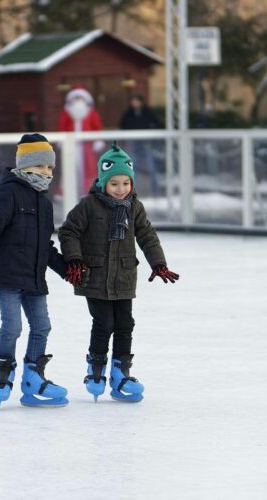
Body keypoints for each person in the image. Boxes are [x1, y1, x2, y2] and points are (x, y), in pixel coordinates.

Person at [59, 143, 179, 403]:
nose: (121, 189)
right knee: (104, 323)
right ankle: (96, 368)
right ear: (103, 182)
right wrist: (75, 260)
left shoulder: (134, 206)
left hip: (124, 276)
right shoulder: (89, 205)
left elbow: (147, 235)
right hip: (95, 276)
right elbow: (68, 232)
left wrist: (158, 263)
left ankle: (120, 372)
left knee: (125, 324)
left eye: (126, 182)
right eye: (114, 183)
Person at [0, 133, 69, 409]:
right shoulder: (9, 192)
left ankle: (33, 377)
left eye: (50, 168)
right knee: (12, 325)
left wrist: (66, 270)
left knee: (42, 326)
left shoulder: (45, 204)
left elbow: (46, 246)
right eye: (40, 167)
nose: (46, 173)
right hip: (8, 275)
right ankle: (3, 372)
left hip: (34, 277)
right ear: (24, 167)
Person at [57, 86, 104, 194]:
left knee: (89, 168)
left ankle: (89, 190)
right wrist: (62, 140)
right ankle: (67, 192)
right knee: (69, 167)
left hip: (87, 145)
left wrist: (98, 140)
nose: (78, 101)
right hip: (70, 144)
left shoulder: (91, 113)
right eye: (76, 98)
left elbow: (97, 127)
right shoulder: (66, 113)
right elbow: (62, 127)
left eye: (80, 98)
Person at [119, 94, 162, 196]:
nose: (135, 103)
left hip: (146, 144)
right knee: (133, 168)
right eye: (133, 101)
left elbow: (156, 124)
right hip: (133, 144)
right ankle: (133, 191)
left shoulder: (148, 112)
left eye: (136, 101)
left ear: (141, 102)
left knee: (151, 168)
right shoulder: (128, 113)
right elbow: (122, 126)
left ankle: (155, 190)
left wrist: (150, 133)